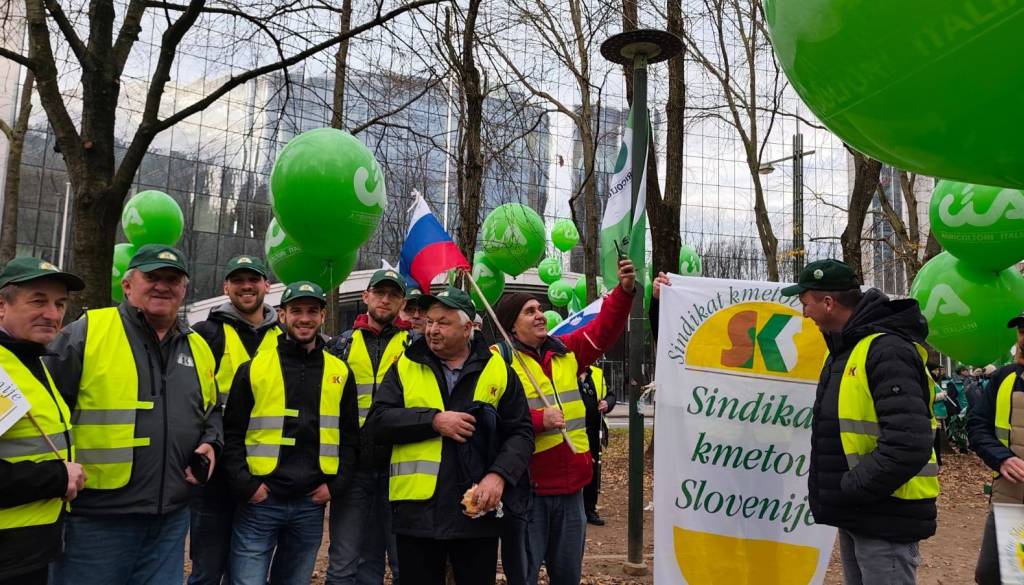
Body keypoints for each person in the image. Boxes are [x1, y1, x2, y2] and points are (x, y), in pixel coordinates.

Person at [47, 245, 220, 585]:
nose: (162, 286)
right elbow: (44, 409)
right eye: (152, 277)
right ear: (127, 285)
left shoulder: (198, 346)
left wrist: (212, 443)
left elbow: (211, 412)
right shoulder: (86, 333)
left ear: (184, 289)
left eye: (173, 279)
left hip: (169, 521)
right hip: (96, 521)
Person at [786, 258, 938, 585]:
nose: (805, 314)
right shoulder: (849, 349)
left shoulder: (886, 350)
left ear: (828, 303)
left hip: (885, 515)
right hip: (863, 512)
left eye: (806, 303)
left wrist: (854, 486)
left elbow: (908, 443)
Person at [368, 287, 533, 585]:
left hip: (475, 512)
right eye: (429, 321)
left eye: (443, 322)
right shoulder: (405, 366)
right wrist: (433, 420)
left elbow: (521, 433)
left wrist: (498, 476)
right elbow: (378, 422)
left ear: (468, 327)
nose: (432, 329)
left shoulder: (498, 370)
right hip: (417, 514)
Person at [493, 258, 636, 585]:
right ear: (511, 326)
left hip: (573, 492)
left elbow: (603, 331)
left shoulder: (567, 351)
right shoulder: (498, 361)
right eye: (528, 311)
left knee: (567, 575)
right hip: (528, 493)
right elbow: (490, 420)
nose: (540, 314)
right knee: (524, 576)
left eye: (539, 308)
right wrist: (540, 419)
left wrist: (624, 293)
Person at [222, 281, 359, 585]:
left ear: (323, 315)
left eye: (312, 311)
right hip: (260, 500)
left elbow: (350, 437)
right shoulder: (254, 368)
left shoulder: (339, 372)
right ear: (282, 315)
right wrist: (247, 486)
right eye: (296, 311)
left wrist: (334, 487)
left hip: (309, 504)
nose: (305, 318)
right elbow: (232, 432)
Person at [188, 255, 281, 585]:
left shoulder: (283, 337)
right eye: (238, 280)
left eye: (253, 279)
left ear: (266, 286)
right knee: (207, 569)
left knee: (248, 572)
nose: (246, 286)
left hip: (260, 476)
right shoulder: (204, 335)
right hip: (214, 476)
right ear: (226, 286)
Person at [0, 258, 86, 585]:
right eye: (38, 301)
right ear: (1, 306)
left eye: (60, 303)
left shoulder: (30, 360)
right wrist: (55, 476)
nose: (52, 314)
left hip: (29, 550)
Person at [325, 269, 410, 585]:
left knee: (405, 562)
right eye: (379, 292)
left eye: (393, 294)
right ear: (366, 297)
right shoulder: (340, 346)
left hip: (400, 468)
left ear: (402, 302)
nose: (385, 299)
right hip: (353, 470)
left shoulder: (415, 347)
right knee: (348, 561)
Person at [967, 311, 1024, 585]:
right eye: (1022, 331)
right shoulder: (1004, 378)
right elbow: (977, 426)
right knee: (993, 575)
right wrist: (1001, 458)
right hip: (1009, 500)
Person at [580, 364, 615, 526]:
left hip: (593, 431)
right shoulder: (567, 371)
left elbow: (610, 394)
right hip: (573, 431)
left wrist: (607, 403)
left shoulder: (597, 373)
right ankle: (575, 509)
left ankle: (589, 509)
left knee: (593, 470)